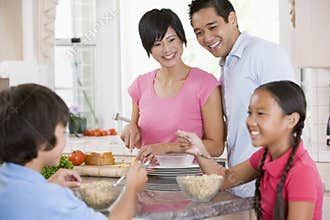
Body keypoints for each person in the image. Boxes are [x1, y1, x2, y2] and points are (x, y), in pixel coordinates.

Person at [188, 0, 296, 197]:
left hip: (270, 185)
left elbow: (287, 119)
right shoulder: (227, 68)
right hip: (242, 186)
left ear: (232, 19)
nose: (207, 38)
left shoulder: (264, 54)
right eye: (199, 32)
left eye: (212, 27)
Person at [178, 81, 323, 220]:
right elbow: (223, 179)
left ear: (291, 120)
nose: (250, 121)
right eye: (250, 113)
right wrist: (199, 150)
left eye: (260, 114)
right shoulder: (264, 156)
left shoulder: (302, 173)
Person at [0, 83, 148, 220]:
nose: (65, 138)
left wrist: (49, 185)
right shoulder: (54, 200)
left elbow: (28, 201)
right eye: (63, 132)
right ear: (41, 141)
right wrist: (132, 188)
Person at [121, 8, 225, 162]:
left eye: (171, 39)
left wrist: (167, 147)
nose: (167, 49)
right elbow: (140, 142)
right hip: (147, 178)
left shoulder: (205, 84)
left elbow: (216, 147)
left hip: (191, 181)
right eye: (157, 44)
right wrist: (130, 131)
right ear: (148, 48)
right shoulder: (140, 85)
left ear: (181, 38)